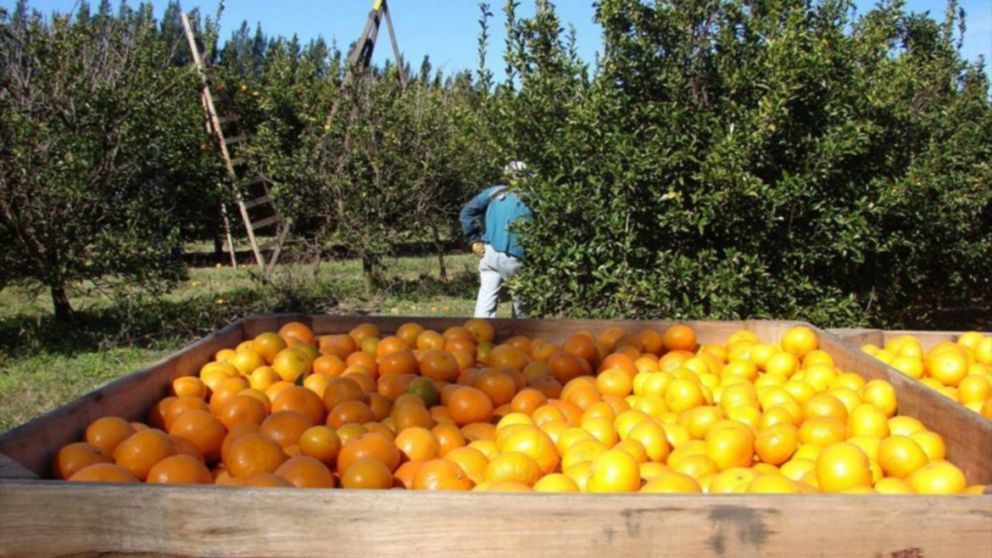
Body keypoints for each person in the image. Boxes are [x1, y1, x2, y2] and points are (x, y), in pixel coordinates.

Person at [459, 161, 533, 319]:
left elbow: (466, 213)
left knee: (485, 302)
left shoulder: (493, 192)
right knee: (523, 308)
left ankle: (477, 336)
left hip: (489, 254)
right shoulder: (531, 197)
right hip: (516, 256)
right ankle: (520, 339)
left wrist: (474, 240)